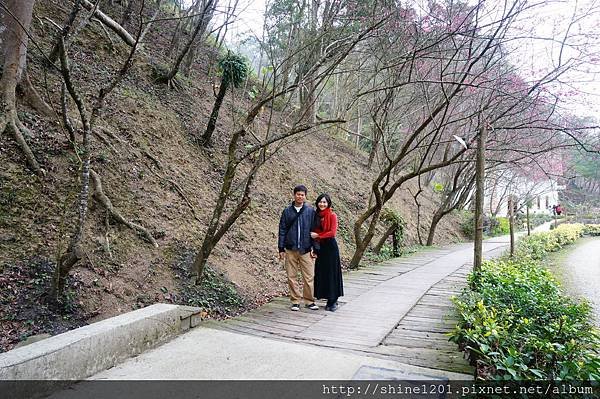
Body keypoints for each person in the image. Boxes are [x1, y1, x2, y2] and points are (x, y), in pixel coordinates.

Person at [278, 185, 319, 311]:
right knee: (292, 276)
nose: (300, 196)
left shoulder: (310, 211)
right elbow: (282, 230)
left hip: (306, 249)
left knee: (309, 276)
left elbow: (315, 230)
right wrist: (281, 248)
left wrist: (315, 248)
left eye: (302, 194)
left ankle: (309, 301)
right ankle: (295, 301)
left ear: (305, 196)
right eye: (298, 194)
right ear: (294, 195)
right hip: (290, 249)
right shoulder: (287, 211)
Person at [310, 193, 344, 312]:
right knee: (322, 272)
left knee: (331, 273)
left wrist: (318, 235)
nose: (322, 204)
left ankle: (333, 300)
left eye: (324, 202)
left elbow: (332, 232)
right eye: (320, 202)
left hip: (330, 247)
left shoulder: (332, 215)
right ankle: (325, 296)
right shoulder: (316, 216)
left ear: (328, 204)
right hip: (320, 247)